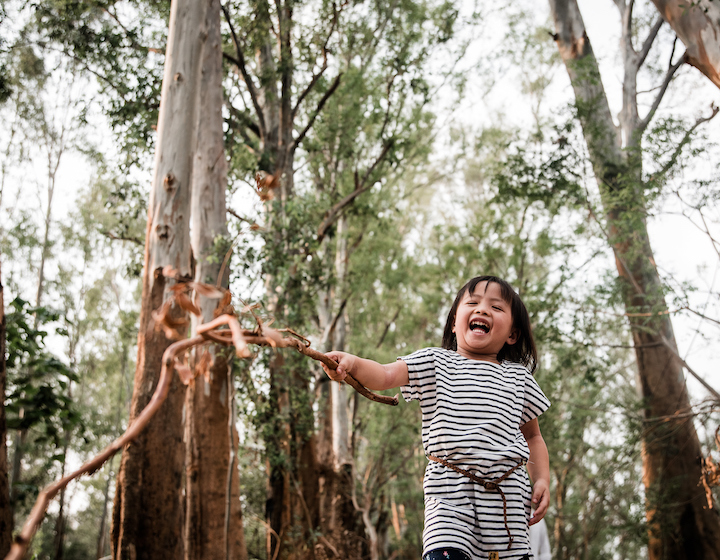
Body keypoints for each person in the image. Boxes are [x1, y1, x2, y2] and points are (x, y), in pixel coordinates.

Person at [322, 275, 550, 560]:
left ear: (513, 334)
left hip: (507, 503)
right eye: (473, 303)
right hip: (450, 496)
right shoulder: (434, 362)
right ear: (455, 322)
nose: (482, 310)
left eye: (496, 307)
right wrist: (353, 363)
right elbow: (385, 374)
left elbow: (533, 437)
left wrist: (541, 478)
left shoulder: (519, 378)